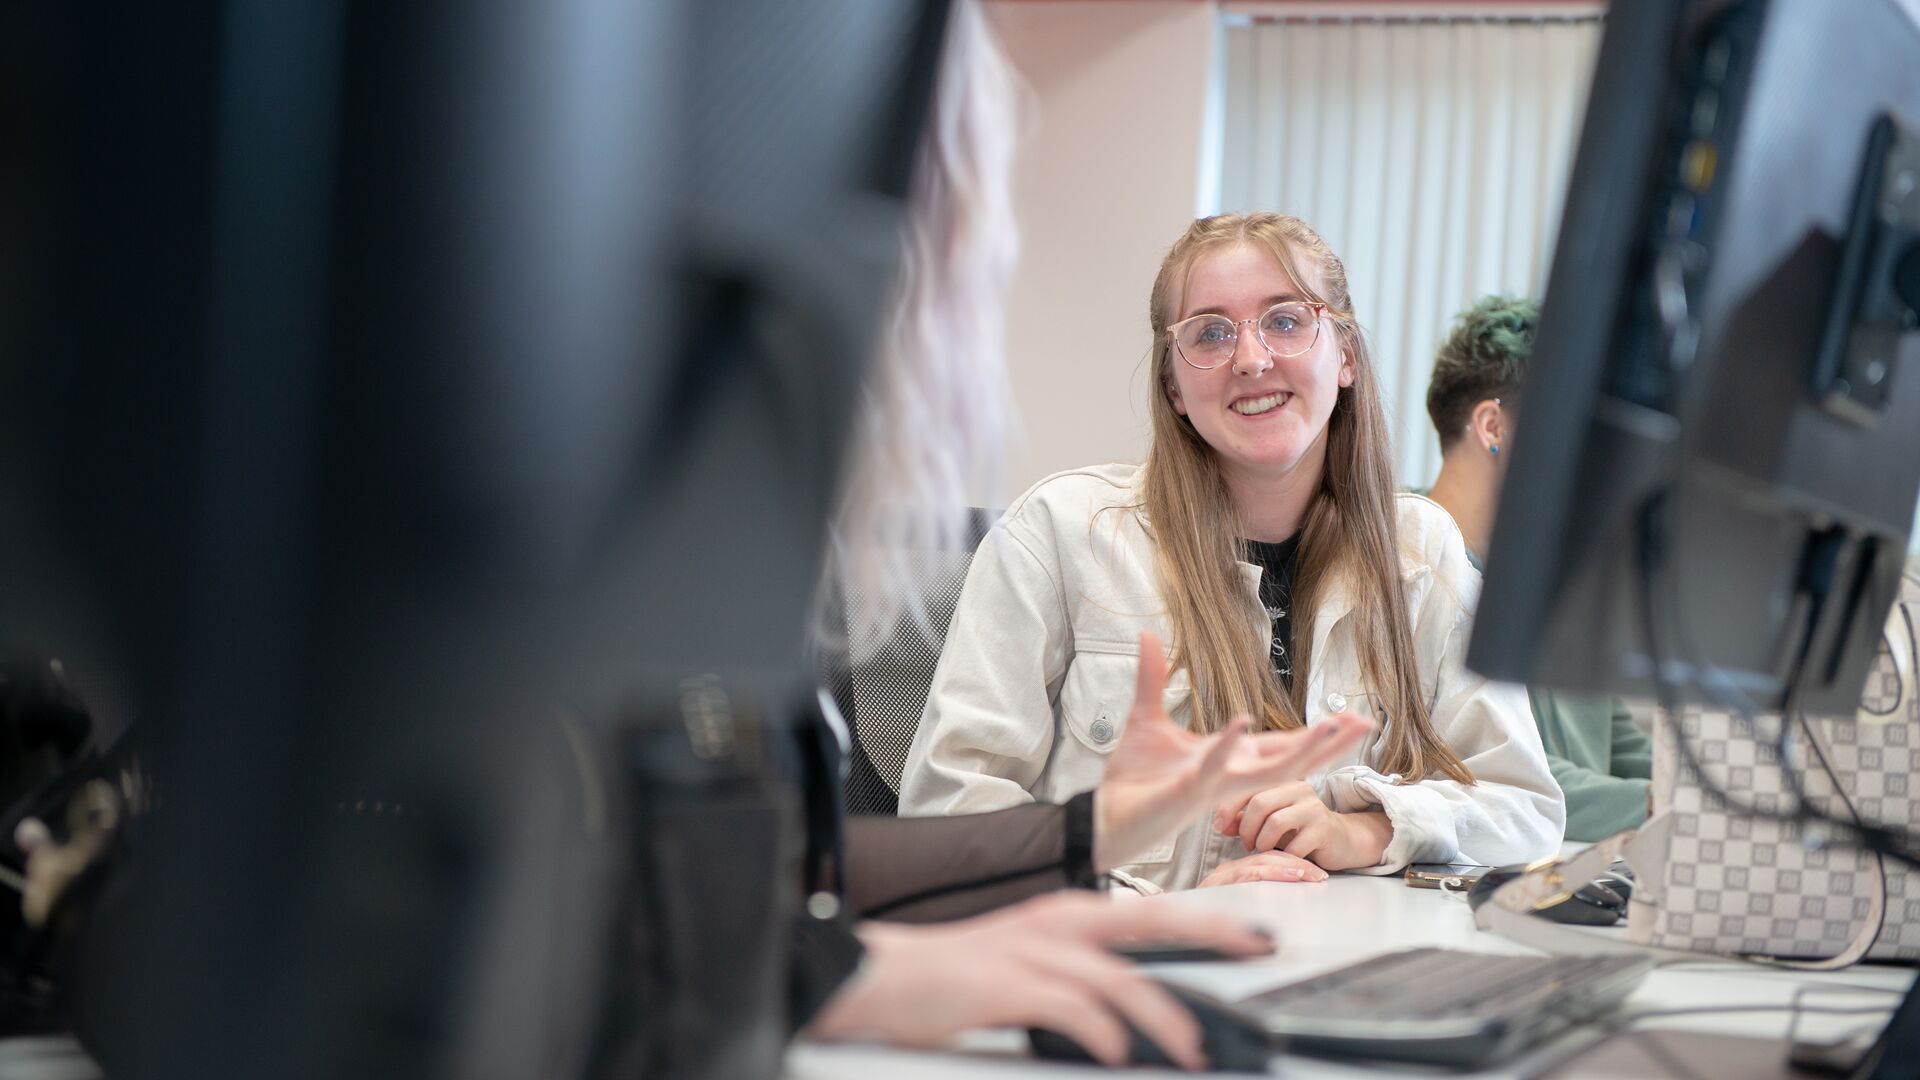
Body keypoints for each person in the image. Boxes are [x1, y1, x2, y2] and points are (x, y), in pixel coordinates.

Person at [899, 211, 1565, 892]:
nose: (1250, 358)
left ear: (1344, 356)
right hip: (1123, 968)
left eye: (1284, 320)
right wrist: (1161, 911)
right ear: (1172, 387)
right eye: (1211, 333)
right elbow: (947, 815)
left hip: (1338, 968)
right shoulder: (1060, 535)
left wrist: (1363, 829)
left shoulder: (1422, 550)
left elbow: (1526, 809)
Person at [1422, 295, 1651, 842]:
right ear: (1493, 426)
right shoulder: (1403, 571)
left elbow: (1628, 753)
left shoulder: (1560, 589)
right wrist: (1670, 803)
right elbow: (1522, 781)